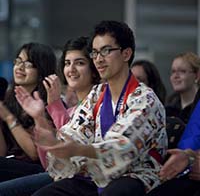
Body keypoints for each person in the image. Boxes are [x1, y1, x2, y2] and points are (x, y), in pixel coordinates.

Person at [18, 20, 167, 196]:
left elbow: (122, 146)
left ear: (126, 53)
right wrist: (45, 126)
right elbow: (74, 134)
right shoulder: (97, 94)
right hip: (96, 177)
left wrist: (76, 149)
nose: (98, 59)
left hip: (136, 177)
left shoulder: (145, 99)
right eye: (95, 53)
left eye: (106, 51)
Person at [0, 36, 100, 196]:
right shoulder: (12, 99)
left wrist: (45, 112)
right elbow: (49, 160)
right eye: (67, 63)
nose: (71, 69)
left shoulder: (86, 105)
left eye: (79, 63)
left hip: (78, 177)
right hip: (55, 172)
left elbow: (44, 156)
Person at [0, 42, 57, 182]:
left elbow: (34, 154)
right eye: (18, 61)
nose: (19, 67)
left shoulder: (49, 104)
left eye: (28, 64)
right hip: (8, 165)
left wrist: (8, 117)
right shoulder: (9, 101)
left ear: (41, 70)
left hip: (36, 171)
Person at [165, 52, 200, 124]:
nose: (175, 76)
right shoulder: (169, 106)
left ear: (197, 75)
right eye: (173, 71)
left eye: (182, 71)